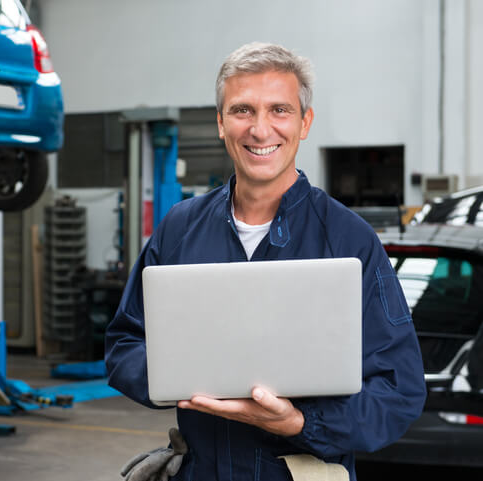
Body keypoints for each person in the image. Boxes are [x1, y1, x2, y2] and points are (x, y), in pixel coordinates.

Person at [105, 42, 426, 481]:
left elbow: (398, 392)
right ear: (220, 123)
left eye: (279, 110)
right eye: (242, 110)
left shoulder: (351, 239)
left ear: (304, 122)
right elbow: (125, 344)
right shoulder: (180, 228)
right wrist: (181, 379)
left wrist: (300, 422)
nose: (260, 130)